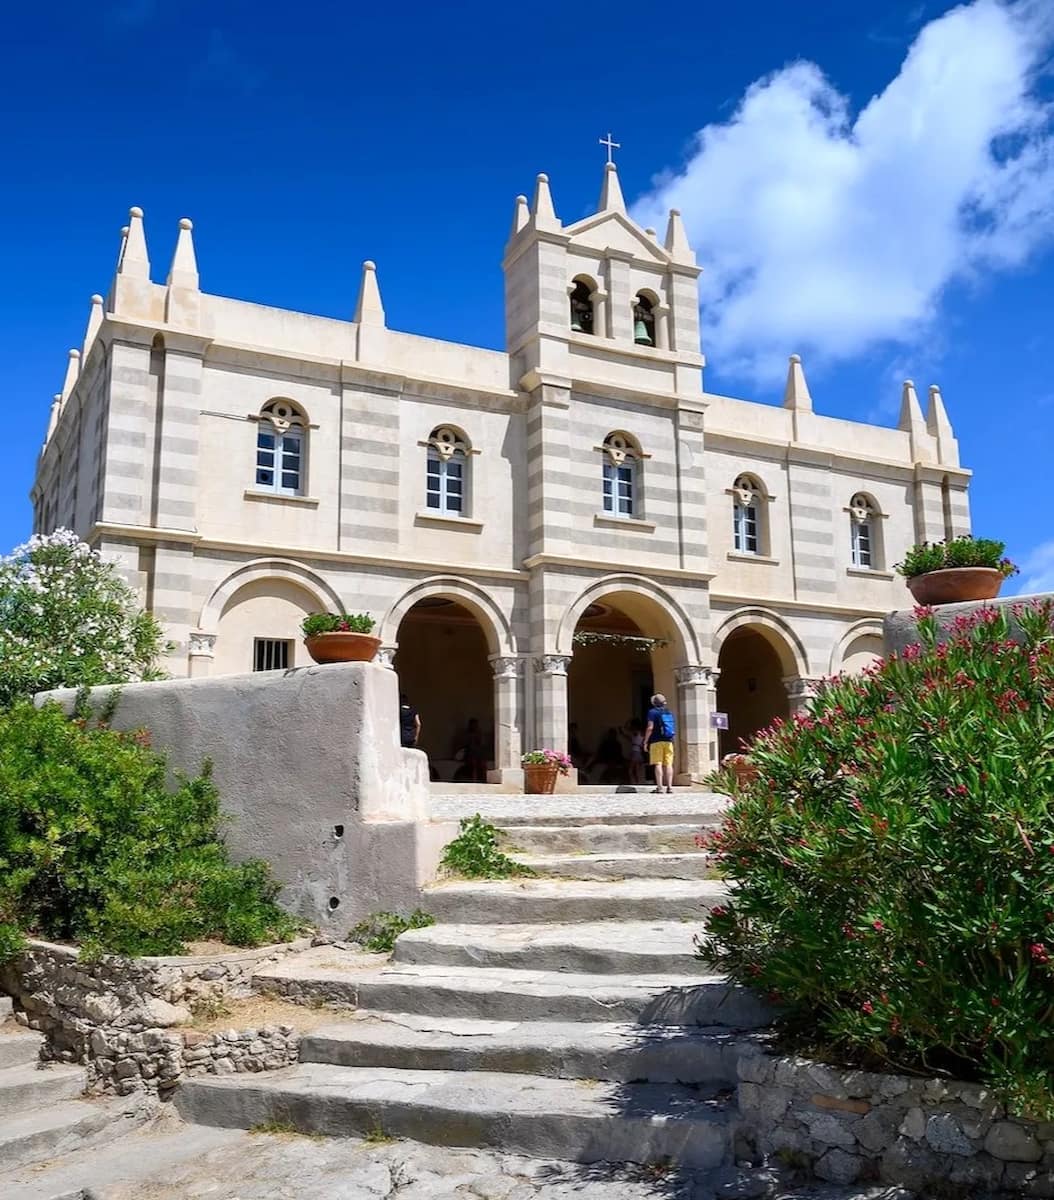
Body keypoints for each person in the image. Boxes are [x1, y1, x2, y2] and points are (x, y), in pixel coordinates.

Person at [644, 693, 676, 794]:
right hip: (668, 741)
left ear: (654, 703)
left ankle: (660, 787)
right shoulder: (668, 712)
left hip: (656, 741)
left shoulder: (652, 712)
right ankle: (670, 787)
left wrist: (645, 741)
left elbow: (650, 728)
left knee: (658, 763)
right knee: (669, 764)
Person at [463, 716, 487, 783]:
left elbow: (482, 744)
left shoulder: (479, 733)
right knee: (474, 765)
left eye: (476, 724)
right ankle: (474, 780)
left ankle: (484, 780)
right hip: (470, 754)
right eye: (473, 724)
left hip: (478, 753)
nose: (475, 726)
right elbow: (466, 744)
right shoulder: (467, 734)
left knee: (483, 765)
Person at [625, 717, 645, 785]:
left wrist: (629, 721)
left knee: (630, 770)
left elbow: (626, 728)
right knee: (636, 770)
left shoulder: (636, 732)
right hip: (638, 752)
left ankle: (633, 782)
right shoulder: (641, 734)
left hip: (635, 752)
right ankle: (638, 783)